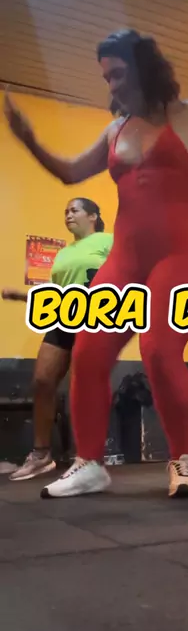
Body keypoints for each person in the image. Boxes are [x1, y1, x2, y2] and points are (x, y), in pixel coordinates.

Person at [3, 29, 188, 499]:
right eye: (107, 77)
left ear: (144, 68)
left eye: (118, 73)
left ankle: (184, 461)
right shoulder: (115, 129)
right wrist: (29, 140)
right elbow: (69, 173)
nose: (112, 84)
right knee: (87, 352)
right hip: (125, 258)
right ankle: (90, 464)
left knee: (159, 352)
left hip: (179, 255)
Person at [2, 198, 112, 481]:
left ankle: (88, 458)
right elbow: (55, 293)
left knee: (84, 387)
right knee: (42, 380)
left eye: (75, 210)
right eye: (65, 211)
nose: (68, 215)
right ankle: (41, 455)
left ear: (93, 216)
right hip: (63, 317)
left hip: (94, 317)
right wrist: (22, 296)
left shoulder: (108, 241)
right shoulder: (64, 253)